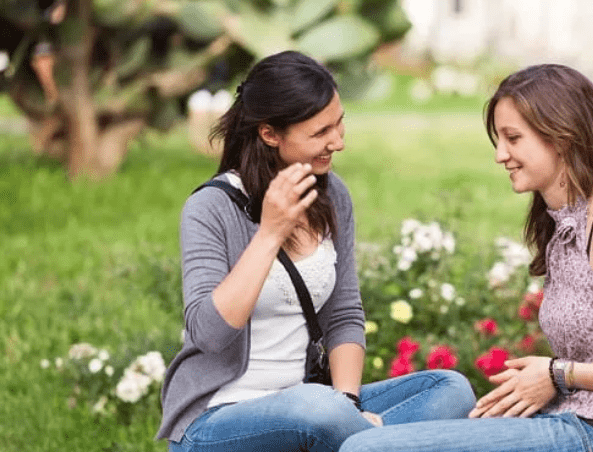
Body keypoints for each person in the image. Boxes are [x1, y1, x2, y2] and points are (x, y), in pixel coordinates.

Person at [339, 64, 593, 452]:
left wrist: (560, 373)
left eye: (513, 138)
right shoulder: (567, 224)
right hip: (577, 422)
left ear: (561, 138)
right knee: (403, 414)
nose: (501, 155)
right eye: (498, 139)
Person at [156, 50, 476, 452]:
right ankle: (366, 441)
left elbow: (343, 314)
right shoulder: (211, 208)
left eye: (339, 124)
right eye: (320, 132)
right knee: (315, 409)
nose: (338, 142)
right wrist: (270, 233)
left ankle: (353, 439)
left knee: (450, 390)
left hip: (317, 402)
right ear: (270, 133)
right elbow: (210, 334)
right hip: (219, 420)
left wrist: (347, 405)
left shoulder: (332, 194)